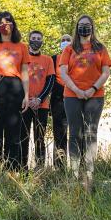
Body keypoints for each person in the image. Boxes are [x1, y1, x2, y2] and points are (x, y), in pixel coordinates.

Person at [60, 15, 111, 180]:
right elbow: (63, 73)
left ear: (92, 27)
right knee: (75, 132)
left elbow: (106, 72)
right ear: (77, 28)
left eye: (87, 25)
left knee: (90, 132)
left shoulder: (100, 48)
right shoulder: (69, 49)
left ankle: (89, 172)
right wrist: (76, 89)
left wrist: (93, 88)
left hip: (95, 96)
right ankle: (75, 172)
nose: (84, 27)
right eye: (81, 25)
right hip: (71, 95)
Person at [0, 11, 30, 169]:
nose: (5, 25)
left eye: (8, 21)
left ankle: (12, 170)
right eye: (0, 23)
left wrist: (27, 95)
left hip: (15, 88)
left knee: (13, 131)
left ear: (13, 24)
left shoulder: (22, 46)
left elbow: (24, 73)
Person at [22, 30, 55, 168]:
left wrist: (39, 99)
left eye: (38, 38)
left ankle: (40, 168)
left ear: (42, 41)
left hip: (42, 105)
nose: (36, 40)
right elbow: (17, 79)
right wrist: (26, 99)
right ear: (29, 40)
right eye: (33, 38)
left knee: (39, 137)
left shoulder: (47, 60)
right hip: (24, 104)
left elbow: (51, 81)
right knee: (22, 137)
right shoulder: (22, 58)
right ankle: (21, 167)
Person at [51, 34, 72, 167]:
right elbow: (50, 80)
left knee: (76, 132)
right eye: (62, 40)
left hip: (75, 98)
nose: (65, 42)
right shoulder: (53, 59)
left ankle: (78, 165)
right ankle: (59, 165)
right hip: (58, 100)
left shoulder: (77, 58)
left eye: (68, 40)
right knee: (59, 132)